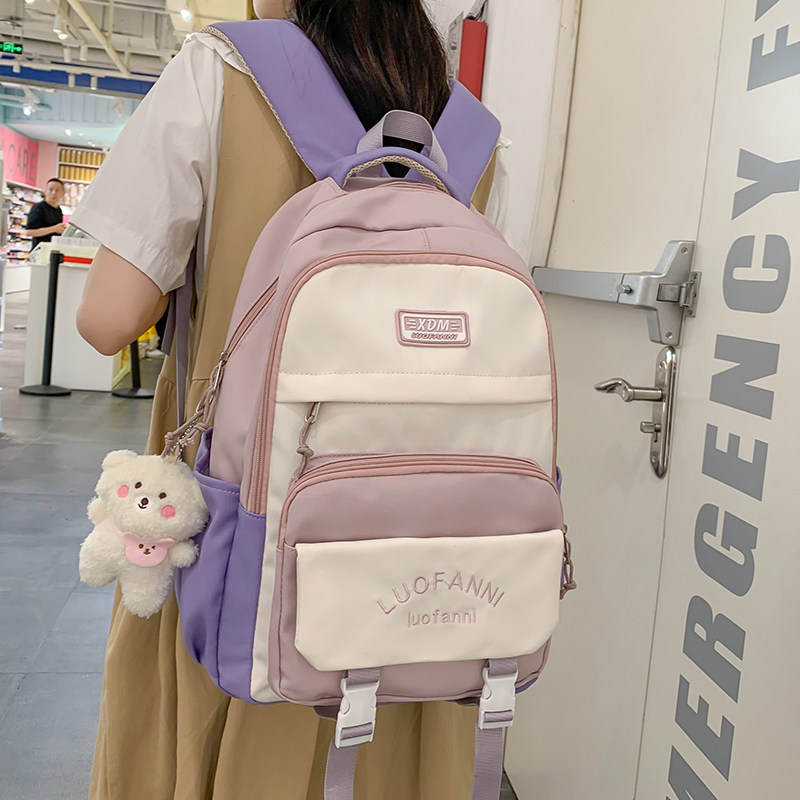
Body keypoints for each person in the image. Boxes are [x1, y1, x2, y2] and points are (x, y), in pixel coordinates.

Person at [74, 1, 506, 797]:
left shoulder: (220, 72)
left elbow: (107, 320)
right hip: (420, 544)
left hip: (244, 524)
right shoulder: (470, 132)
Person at [25, 177, 67, 249]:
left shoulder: (58, 210)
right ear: (45, 191)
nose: (54, 193)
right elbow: (29, 232)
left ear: (63, 193)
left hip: (52, 249)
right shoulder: (38, 208)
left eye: (57, 190)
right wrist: (54, 229)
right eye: (51, 189)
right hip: (39, 251)